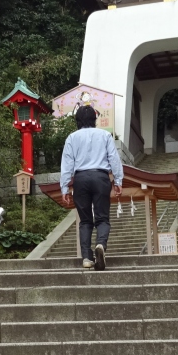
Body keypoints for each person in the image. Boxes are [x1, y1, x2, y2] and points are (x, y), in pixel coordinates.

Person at [59, 104, 123, 270]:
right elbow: (114, 159)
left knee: (85, 220)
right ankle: (100, 244)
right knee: (102, 218)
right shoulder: (105, 135)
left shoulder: (72, 138)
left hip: (80, 179)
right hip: (100, 177)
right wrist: (118, 181)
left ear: (77, 120)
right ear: (95, 119)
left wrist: (64, 187)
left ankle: (87, 257)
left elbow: (67, 164)